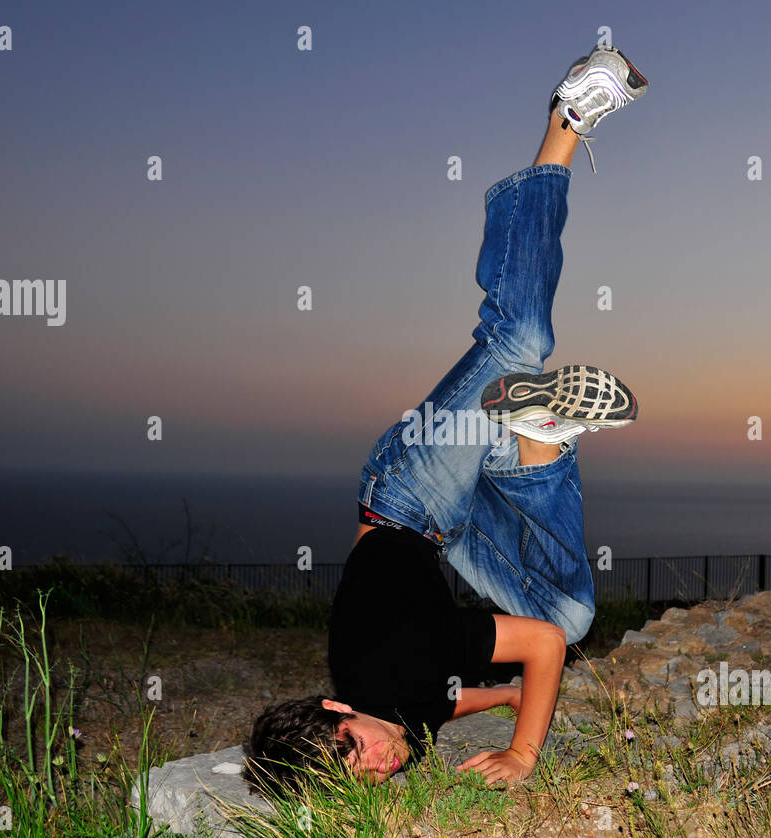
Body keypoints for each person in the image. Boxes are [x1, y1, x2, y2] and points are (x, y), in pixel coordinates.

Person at [248, 44, 648, 788]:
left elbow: (535, 649)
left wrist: (524, 748)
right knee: (572, 612)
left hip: (407, 493)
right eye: (356, 776)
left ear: (338, 706)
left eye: (349, 748)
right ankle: (533, 435)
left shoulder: (399, 660)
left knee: (518, 338)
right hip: (449, 532)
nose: (375, 764)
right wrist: (514, 698)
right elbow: (447, 703)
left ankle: (563, 119)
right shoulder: (394, 708)